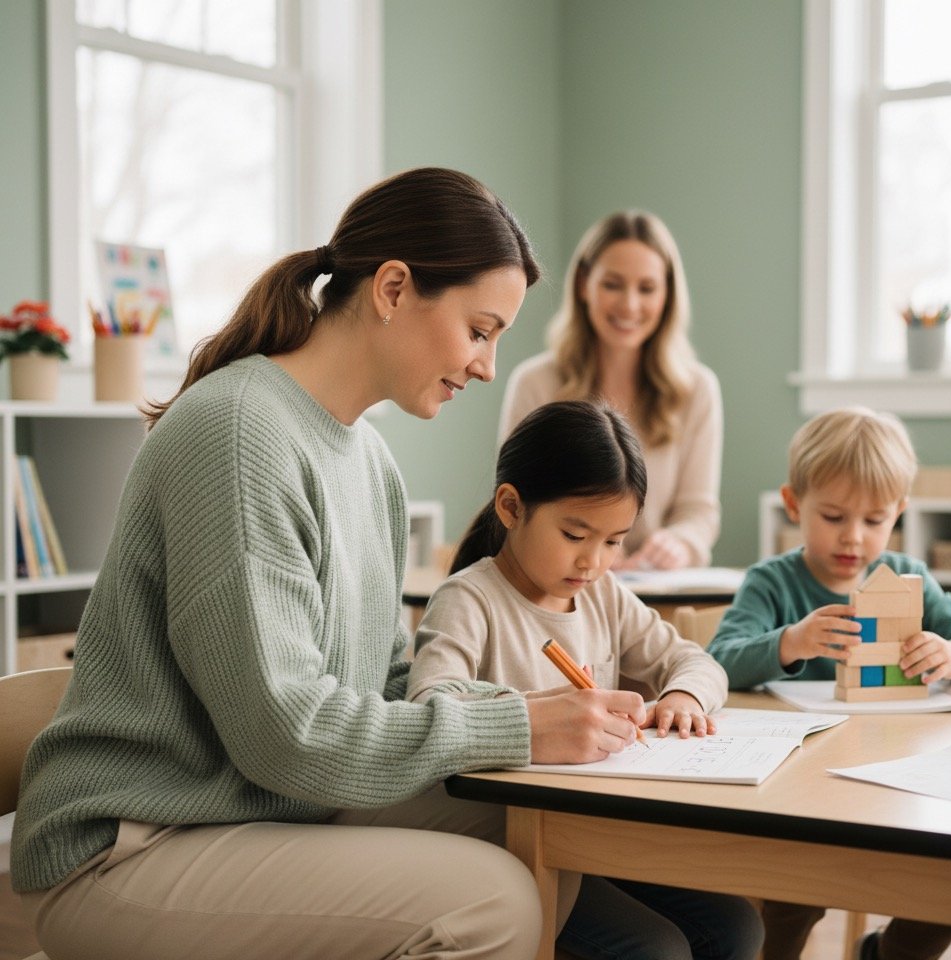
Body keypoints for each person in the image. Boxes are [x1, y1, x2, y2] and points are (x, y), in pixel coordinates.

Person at [11, 167, 652, 960]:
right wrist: (516, 722)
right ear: (392, 288)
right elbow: (288, 733)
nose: (488, 366)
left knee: (546, 825)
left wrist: (533, 715)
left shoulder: (369, 461)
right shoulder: (241, 433)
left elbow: (379, 686)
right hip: (136, 842)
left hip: (265, 805)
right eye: (481, 329)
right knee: (493, 905)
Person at [408, 400, 764, 960]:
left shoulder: (601, 595)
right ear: (511, 507)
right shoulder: (467, 600)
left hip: (598, 832)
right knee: (658, 949)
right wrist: (536, 712)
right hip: (518, 838)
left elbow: (698, 661)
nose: (594, 560)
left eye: (614, 540)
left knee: (737, 926)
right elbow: (430, 702)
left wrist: (682, 695)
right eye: (575, 534)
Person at [707, 406, 951, 960]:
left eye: (874, 521)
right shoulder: (773, 582)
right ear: (795, 505)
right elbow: (717, 661)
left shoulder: (907, 581)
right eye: (833, 516)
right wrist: (790, 642)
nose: (853, 538)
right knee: (793, 896)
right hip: (800, 785)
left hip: (896, 779)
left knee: (944, 886)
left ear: (898, 514)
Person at [498, 210, 722, 570]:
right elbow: (515, 505)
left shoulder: (697, 390)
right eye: (612, 284)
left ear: (667, 296)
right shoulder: (535, 383)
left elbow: (698, 512)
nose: (629, 305)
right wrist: (594, 549)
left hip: (657, 588)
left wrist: (679, 543)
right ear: (584, 284)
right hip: (563, 584)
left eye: (646, 288)